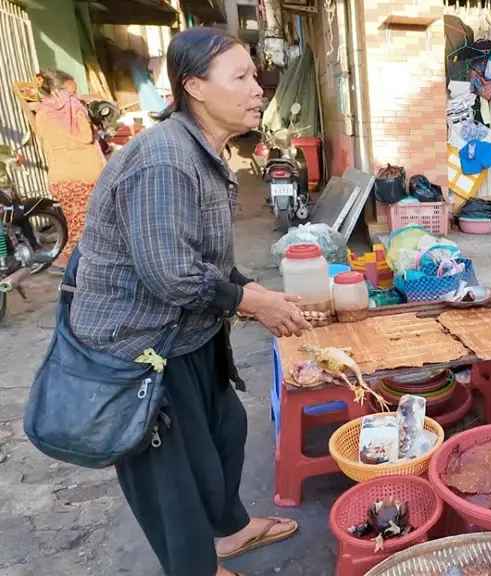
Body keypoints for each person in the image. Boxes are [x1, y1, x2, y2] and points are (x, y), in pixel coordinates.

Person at [68, 28, 312, 576]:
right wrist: (251, 302)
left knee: (224, 432)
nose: (259, 90)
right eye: (242, 77)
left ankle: (229, 531)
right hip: (140, 343)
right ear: (196, 86)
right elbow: (171, 275)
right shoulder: (165, 160)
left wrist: (259, 291)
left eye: (255, 76)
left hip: (190, 332)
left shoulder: (203, 151)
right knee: (170, 475)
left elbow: (202, 255)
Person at [30, 69, 106, 268]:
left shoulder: (42, 114)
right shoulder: (72, 110)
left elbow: (47, 144)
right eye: (71, 94)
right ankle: (67, 266)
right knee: (83, 230)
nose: (75, 98)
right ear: (56, 92)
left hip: (61, 177)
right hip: (80, 177)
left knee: (77, 226)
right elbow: (85, 137)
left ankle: (71, 266)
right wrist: (80, 111)